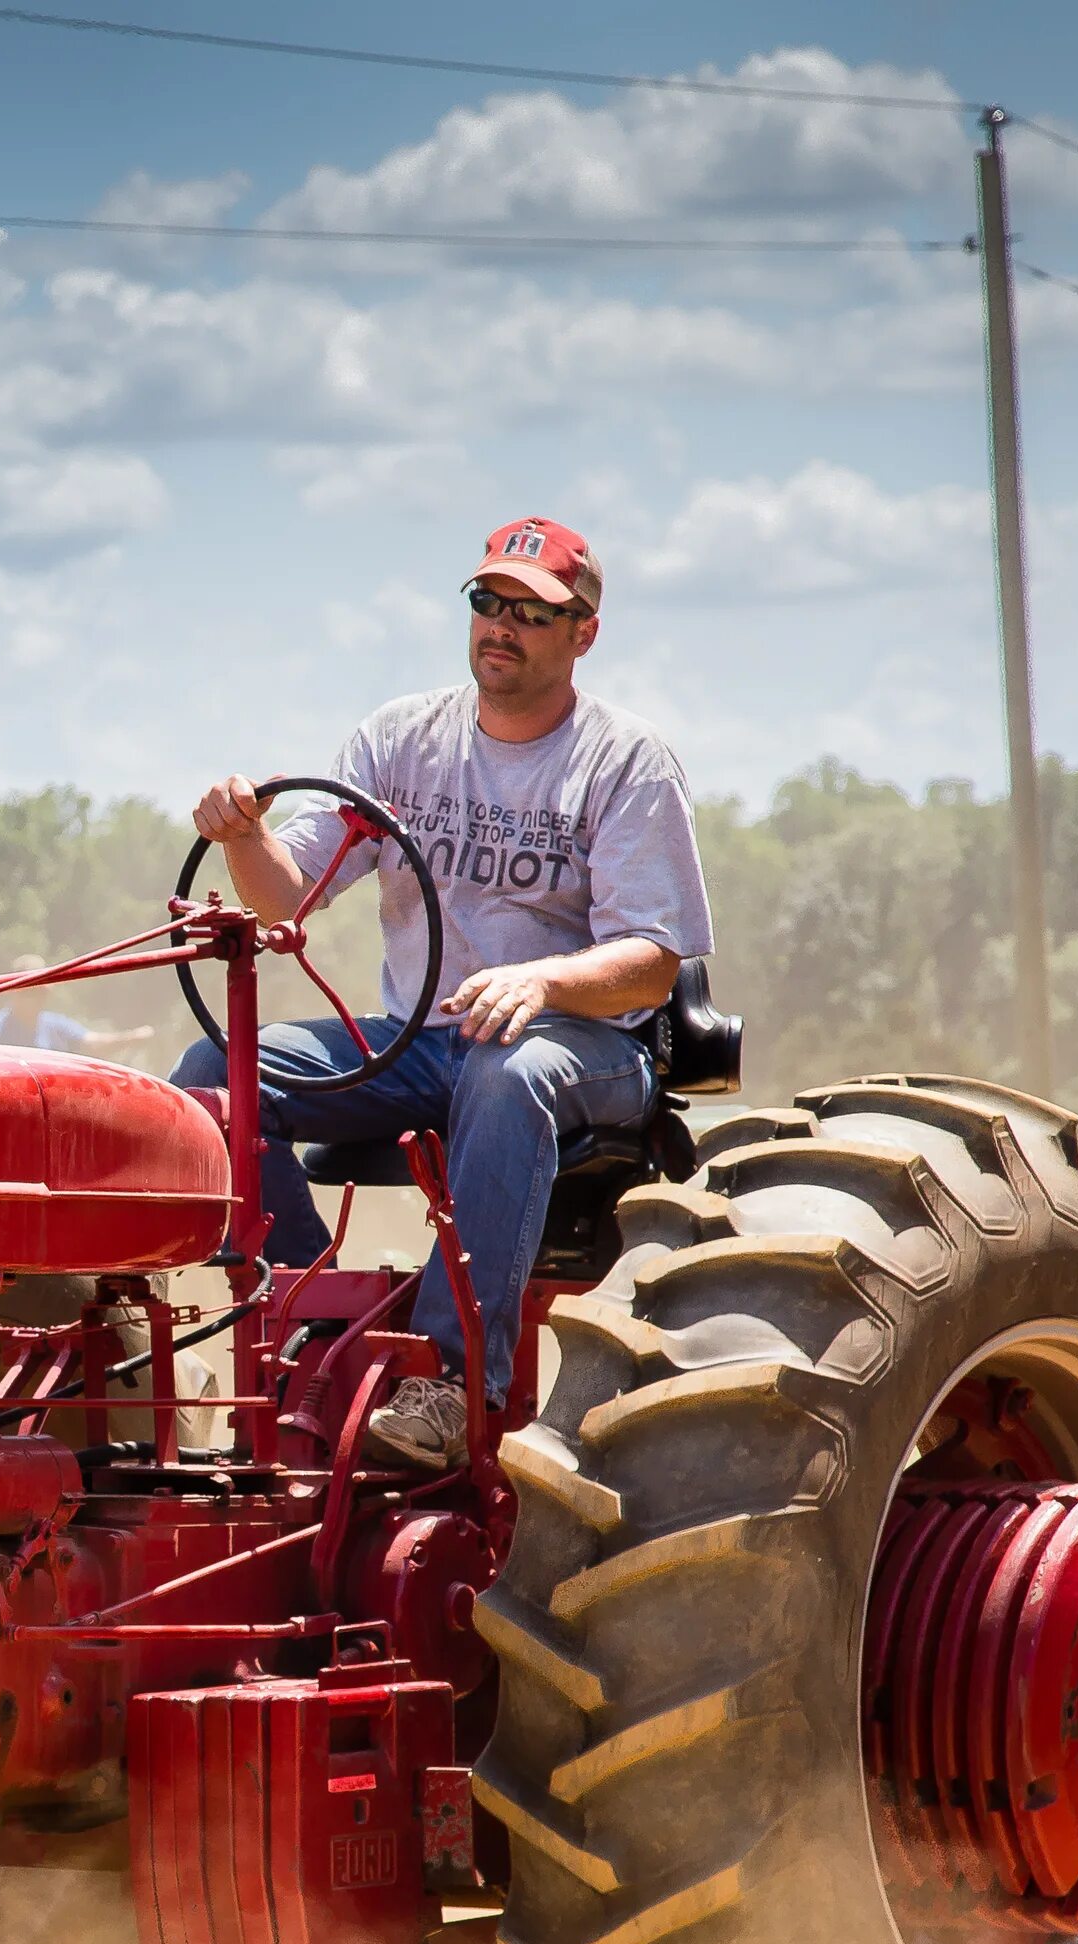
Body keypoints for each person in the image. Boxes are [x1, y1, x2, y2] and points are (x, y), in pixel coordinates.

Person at [178, 516, 714, 1473]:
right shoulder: (399, 741)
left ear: (582, 632)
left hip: (581, 1045)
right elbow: (287, 892)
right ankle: (305, 1333)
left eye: (531, 613)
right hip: (422, 1041)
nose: (500, 627)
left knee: (510, 1075)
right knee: (213, 1077)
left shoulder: (623, 762)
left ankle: (452, 1379)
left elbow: (652, 959)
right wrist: (242, 836)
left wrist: (540, 977)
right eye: (487, 604)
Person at [0, 954, 154, 1056]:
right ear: (14, 992)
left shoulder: (53, 1025)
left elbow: (93, 1043)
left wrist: (131, 1038)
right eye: (31, 991)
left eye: (42, 992)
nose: (38, 998)